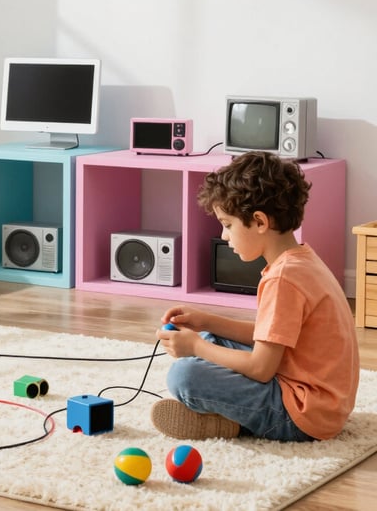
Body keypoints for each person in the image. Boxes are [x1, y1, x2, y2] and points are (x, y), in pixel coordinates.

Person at [150, 151, 359, 442]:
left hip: (303, 415)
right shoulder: (301, 260)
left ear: (259, 222)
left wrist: (196, 348)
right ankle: (224, 416)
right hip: (320, 402)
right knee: (213, 339)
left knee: (184, 376)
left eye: (228, 224)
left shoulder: (284, 278)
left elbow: (262, 369)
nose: (224, 236)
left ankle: (232, 424)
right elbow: (271, 338)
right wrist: (205, 321)